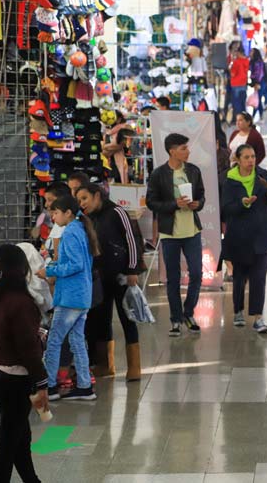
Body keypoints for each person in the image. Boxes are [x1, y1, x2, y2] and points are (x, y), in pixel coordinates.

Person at [0, 244, 48, 483]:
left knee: (20, 438)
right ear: (22, 269)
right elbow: (28, 350)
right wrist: (42, 382)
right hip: (16, 380)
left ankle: (32, 480)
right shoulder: (20, 302)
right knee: (8, 444)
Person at [76, 183, 143, 381]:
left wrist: (132, 270)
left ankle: (134, 367)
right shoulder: (87, 218)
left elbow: (132, 241)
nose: (82, 204)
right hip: (99, 277)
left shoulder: (117, 212)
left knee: (127, 318)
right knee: (101, 320)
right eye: (79, 201)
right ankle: (106, 365)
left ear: (97, 196)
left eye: (85, 199)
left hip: (122, 276)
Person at [36, 195, 99, 401]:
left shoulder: (71, 232)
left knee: (54, 341)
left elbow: (75, 265)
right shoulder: (80, 229)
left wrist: (50, 269)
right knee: (77, 340)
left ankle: (51, 386)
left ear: (68, 213)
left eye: (55, 213)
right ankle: (84, 385)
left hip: (70, 297)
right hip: (81, 295)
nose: (53, 217)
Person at [145, 133, 205, 337]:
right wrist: (174, 204)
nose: (187, 151)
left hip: (192, 231)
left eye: (187, 148)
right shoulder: (158, 174)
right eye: (183, 148)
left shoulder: (194, 171)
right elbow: (151, 202)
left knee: (197, 273)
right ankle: (176, 319)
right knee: (173, 277)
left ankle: (189, 313)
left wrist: (198, 204)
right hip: (170, 233)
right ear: (172, 151)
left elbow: (202, 195)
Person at [221, 144, 267, 333]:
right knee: (239, 277)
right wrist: (242, 203)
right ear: (237, 160)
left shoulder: (262, 175)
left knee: (259, 278)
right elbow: (226, 209)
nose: (251, 161)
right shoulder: (229, 179)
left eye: (253, 156)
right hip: (239, 236)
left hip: (261, 234)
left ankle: (258, 317)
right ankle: (238, 310)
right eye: (246, 157)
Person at [230, 48, 250, 119]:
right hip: (243, 83)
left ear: (239, 53)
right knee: (242, 102)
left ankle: (239, 119)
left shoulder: (236, 62)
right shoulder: (247, 61)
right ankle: (244, 119)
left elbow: (233, 74)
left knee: (236, 103)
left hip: (236, 84)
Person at [249, 47, 267, 117]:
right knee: (257, 98)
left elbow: (259, 73)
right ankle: (259, 115)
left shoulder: (258, 62)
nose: (250, 53)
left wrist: (257, 82)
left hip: (260, 82)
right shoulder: (252, 61)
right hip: (257, 82)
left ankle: (255, 115)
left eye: (251, 51)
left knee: (258, 98)